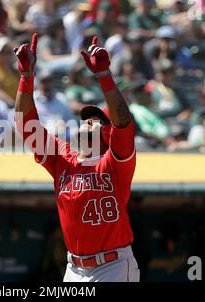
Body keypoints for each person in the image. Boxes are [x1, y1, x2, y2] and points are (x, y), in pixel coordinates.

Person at [14, 33, 140, 282]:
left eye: (96, 121)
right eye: (86, 119)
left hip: (112, 265)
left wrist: (104, 76)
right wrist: (26, 78)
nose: (88, 122)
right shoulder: (62, 158)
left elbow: (123, 121)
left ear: (107, 133)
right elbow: (25, 124)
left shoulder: (116, 163)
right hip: (74, 268)